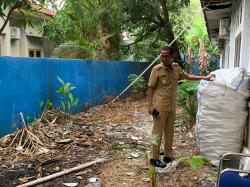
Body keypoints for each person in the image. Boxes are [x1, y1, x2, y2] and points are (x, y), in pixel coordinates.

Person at [147, 46, 214, 168]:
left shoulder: (176, 68)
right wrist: (150, 105)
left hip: (172, 106)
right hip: (160, 106)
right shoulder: (156, 70)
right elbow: (150, 88)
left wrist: (204, 78)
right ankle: (154, 158)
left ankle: (167, 155)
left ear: (172, 56)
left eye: (166, 56)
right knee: (156, 133)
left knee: (169, 132)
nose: (163, 58)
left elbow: (188, 76)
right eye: (162, 55)